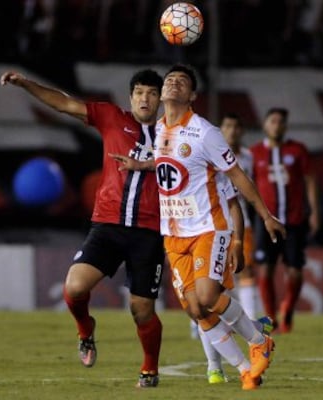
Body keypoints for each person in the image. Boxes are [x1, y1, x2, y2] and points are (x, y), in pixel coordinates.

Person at [111, 64, 286, 390]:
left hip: (208, 226)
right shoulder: (159, 128)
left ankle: (259, 339)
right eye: (170, 80)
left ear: (192, 96)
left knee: (207, 295)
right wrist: (141, 165)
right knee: (195, 309)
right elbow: (169, 163)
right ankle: (246, 369)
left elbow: (237, 178)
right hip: (173, 234)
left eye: (182, 82)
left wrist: (264, 216)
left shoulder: (205, 132)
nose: (173, 84)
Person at [0, 69, 165, 388]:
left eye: (152, 93)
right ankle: (86, 331)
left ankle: (149, 369)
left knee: (142, 309)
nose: (145, 98)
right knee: (75, 288)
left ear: (160, 99)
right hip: (107, 226)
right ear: (131, 97)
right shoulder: (111, 116)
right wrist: (25, 84)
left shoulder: (175, 135)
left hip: (148, 232)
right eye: (140, 92)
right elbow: (64, 104)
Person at [250, 107, 320, 333]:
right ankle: (271, 317)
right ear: (265, 125)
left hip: (294, 220)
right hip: (266, 220)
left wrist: (314, 211)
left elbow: (310, 180)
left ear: (285, 125)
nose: (276, 125)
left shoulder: (297, 150)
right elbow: (248, 184)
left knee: (295, 272)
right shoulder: (255, 153)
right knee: (265, 270)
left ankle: (287, 308)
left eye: (281, 121)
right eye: (272, 121)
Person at [220, 113, 258, 319]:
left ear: (241, 130)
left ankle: (251, 321)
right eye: (228, 126)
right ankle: (202, 321)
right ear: (221, 129)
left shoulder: (248, 157)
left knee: (247, 270)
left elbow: (254, 189)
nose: (232, 130)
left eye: (236, 126)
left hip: (243, 221)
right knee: (215, 275)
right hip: (215, 222)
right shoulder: (211, 154)